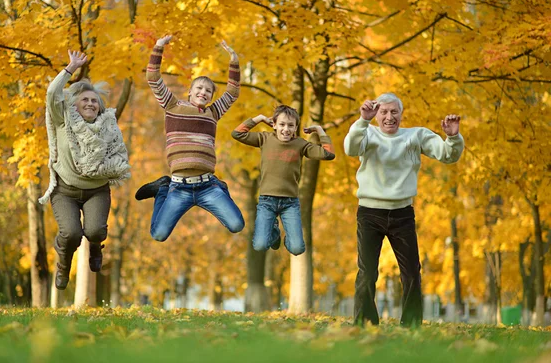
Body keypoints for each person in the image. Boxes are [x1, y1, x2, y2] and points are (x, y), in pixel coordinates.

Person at [343, 92, 464, 327]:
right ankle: (364, 323)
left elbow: (448, 155)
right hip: (370, 212)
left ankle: (411, 324)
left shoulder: (415, 136)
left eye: (394, 111)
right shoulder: (366, 131)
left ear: (401, 114)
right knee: (367, 273)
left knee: (411, 273)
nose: (389, 117)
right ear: (376, 114)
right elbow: (350, 148)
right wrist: (363, 120)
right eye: (384, 112)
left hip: (402, 213)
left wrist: (453, 137)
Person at [135, 35, 245, 241]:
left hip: (207, 186)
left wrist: (234, 60)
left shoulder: (213, 113)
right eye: (199, 88)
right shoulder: (172, 106)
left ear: (211, 96)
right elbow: (153, 78)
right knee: (158, 234)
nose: (203, 92)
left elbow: (232, 93)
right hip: (178, 188)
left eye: (208, 91)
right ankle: (162, 189)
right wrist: (159, 46)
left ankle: (220, 186)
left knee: (237, 224)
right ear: (190, 91)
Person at [39, 50, 130, 290]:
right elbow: (51, 94)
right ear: (74, 105)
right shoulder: (63, 120)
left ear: (100, 107)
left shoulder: (109, 128)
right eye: (85, 100)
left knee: (95, 230)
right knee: (71, 234)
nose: (90, 103)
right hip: (65, 190)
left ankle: (96, 247)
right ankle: (63, 264)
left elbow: (119, 157)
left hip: (96, 190)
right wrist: (70, 69)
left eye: (94, 101)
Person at [232, 105, 335, 255]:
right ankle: (273, 232)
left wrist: (319, 130)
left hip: (290, 203)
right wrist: (259, 119)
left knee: (297, 248)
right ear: (274, 124)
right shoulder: (265, 139)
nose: (286, 129)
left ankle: (288, 237)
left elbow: (328, 154)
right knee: (260, 245)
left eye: (290, 125)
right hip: (267, 201)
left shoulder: (300, 144)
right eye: (282, 124)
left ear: (295, 127)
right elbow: (237, 134)